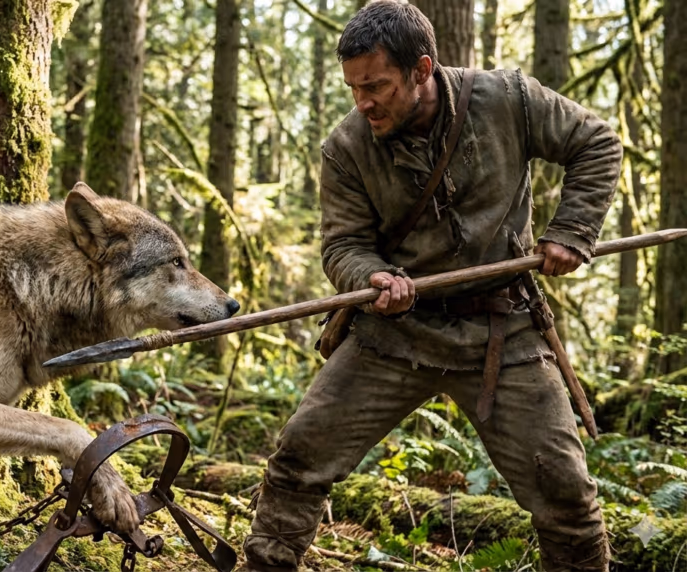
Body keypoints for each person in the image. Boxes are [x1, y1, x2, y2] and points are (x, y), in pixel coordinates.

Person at [240, 2, 621, 571]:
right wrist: (371, 277)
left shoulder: (508, 99)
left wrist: (571, 231)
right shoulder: (346, 149)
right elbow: (343, 246)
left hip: (504, 330)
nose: (363, 103)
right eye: (353, 88)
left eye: (377, 86)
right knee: (300, 457)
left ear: (421, 69)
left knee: (566, 495)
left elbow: (596, 143)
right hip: (393, 334)